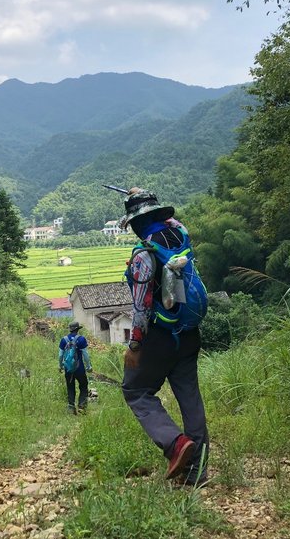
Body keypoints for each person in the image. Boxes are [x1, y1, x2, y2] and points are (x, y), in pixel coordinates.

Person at [120, 188, 209, 486]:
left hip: (160, 336)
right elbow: (174, 221)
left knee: (136, 391)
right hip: (189, 331)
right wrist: (145, 196)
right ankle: (198, 472)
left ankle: (175, 444)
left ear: (134, 224)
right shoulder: (181, 236)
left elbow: (141, 307)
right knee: (190, 398)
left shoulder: (144, 255)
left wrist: (134, 345)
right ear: (160, 215)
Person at [59, 321, 92, 414]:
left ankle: (71, 407)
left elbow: (60, 355)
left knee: (70, 387)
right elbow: (85, 354)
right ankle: (81, 406)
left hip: (68, 369)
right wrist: (88, 366)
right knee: (83, 386)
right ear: (77, 329)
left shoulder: (64, 340)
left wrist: (60, 365)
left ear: (70, 329)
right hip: (80, 368)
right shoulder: (81, 339)